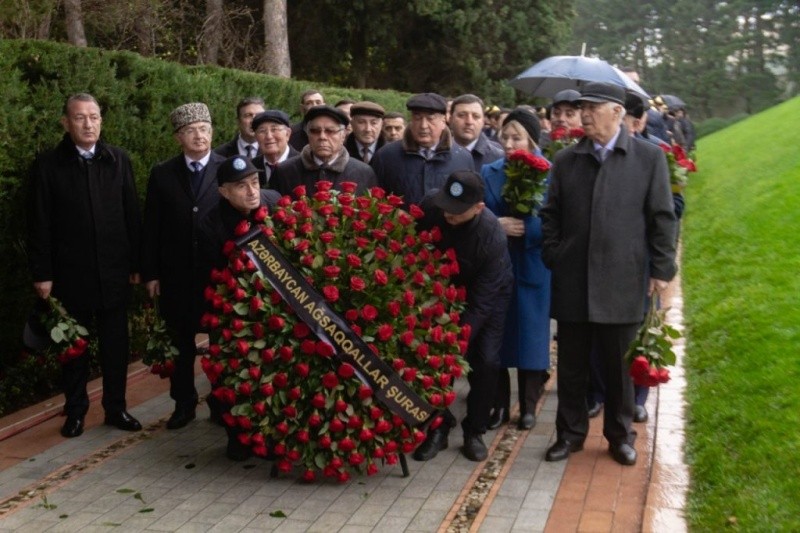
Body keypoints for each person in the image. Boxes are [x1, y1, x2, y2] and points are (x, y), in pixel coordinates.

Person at [539, 82, 677, 466]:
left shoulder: (648, 158)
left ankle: (620, 437)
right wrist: (556, 254)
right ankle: (569, 434)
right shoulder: (567, 160)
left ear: (617, 112)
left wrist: (661, 269)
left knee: (619, 370)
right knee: (571, 367)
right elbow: (549, 214)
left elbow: (662, 218)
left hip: (623, 279)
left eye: (592, 108)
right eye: (581, 107)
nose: (583, 114)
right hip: (573, 280)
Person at [27, 93, 143, 438]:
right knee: (72, 349)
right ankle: (75, 411)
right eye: (80, 118)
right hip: (69, 275)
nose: (88, 123)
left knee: (115, 346)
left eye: (94, 117)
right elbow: (38, 223)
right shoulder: (48, 166)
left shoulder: (117, 160)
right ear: (66, 122)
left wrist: (137, 263)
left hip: (114, 273)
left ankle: (116, 408)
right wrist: (42, 273)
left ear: (101, 121)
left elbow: (131, 216)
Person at [413, 170, 513, 462]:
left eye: (457, 211)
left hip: (487, 294)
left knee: (485, 360)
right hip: (442, 287)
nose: (449, 215)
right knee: (429, 355)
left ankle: (475, 430)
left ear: (478, 208)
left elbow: (481, 305)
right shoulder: (433, 206)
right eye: (447, 206)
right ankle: (438, 425)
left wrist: (458, 340)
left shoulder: (491, 236)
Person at [141, 102, 226, 430]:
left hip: (216, 275)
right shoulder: (162, 173)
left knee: (220, 342)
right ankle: (184, 403)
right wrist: (150, 272)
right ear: (179, 137)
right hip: (176, 276)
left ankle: (221, 402)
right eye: (191, 131)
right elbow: (151, 226)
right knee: (180, 344)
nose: (199, 136)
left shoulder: (226, 167)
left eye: (204, 129)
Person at [198, 155, 281, 460]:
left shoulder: (274, 206)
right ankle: (236, 436)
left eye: (255, 183)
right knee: (233, 376)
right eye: (241, 186)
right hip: (232, 314)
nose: (251, 191)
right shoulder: (209, 224)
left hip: (274, 311)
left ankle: (270, 434)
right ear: (223, 191)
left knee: (271, 375)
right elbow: (210, 277)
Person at [481, 108, 551, 431]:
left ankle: (528, 405)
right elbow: (479, 213)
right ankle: (496, 403)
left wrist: (528, 228)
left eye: (516, 137)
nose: (509, 144)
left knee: (532, 339)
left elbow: (556, 220)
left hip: (533, 265)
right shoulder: (489, 172)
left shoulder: (549, 174)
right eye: (505, 136)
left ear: (532, 140)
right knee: (497, 338)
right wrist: (498, 225)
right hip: (497, 264)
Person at [371, 92, 474, 207]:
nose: (423, 125)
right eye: (417, 118)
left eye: (430, 119)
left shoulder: (462, 158)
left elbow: (468, 203)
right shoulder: (386, 156)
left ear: (444, 121)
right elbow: (374, 201)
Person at [271, 105, 377, 198]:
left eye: (330, 131)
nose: (322, 137)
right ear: (307, 133)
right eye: (315, 131)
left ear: (343, 135)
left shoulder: (363, 173)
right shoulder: (285, 171)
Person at [449, 94, 504, 170]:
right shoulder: (434, 154)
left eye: (476, 116)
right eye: (462, 115)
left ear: (483, 122)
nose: (469, 122)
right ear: (450, 119)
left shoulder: (499, 158)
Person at [250, 110, 298, 188]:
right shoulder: (252, 167)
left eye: (274, 129)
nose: (269, 136)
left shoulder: (303, 164)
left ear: (287, 134)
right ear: (256, 137)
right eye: (262, 131)